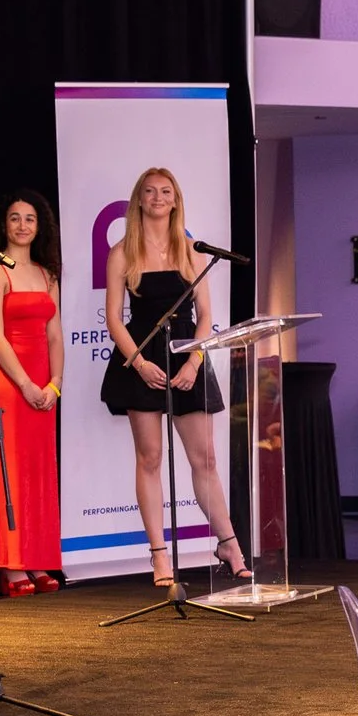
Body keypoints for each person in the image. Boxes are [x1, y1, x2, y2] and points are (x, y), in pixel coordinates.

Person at [102, 166, 246, 584]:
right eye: (150, 191)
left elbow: (206, 317)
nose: (158, 198)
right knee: (149, 458)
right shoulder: (122, 252)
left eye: (166, 191)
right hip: (142, 356)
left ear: (176, 200)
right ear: (139, 200)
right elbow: (114, 319)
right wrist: (139, 363)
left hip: (187, 356)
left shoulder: (192, 251)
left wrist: (193, 363)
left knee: (206, 459)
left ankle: (229, 544)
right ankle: (160, 555)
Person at [0, 189, 64, 596]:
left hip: (42, 384)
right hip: (7, 381)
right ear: (4, 224)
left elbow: (56, 335)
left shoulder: (48, 276)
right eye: (15, 217)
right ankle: (11, 565)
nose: (22, 225)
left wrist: (54, 385)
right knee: (9, 470)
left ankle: (38, 559)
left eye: (30, 218)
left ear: (39, 226)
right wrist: (26, 384)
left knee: (39, 471)